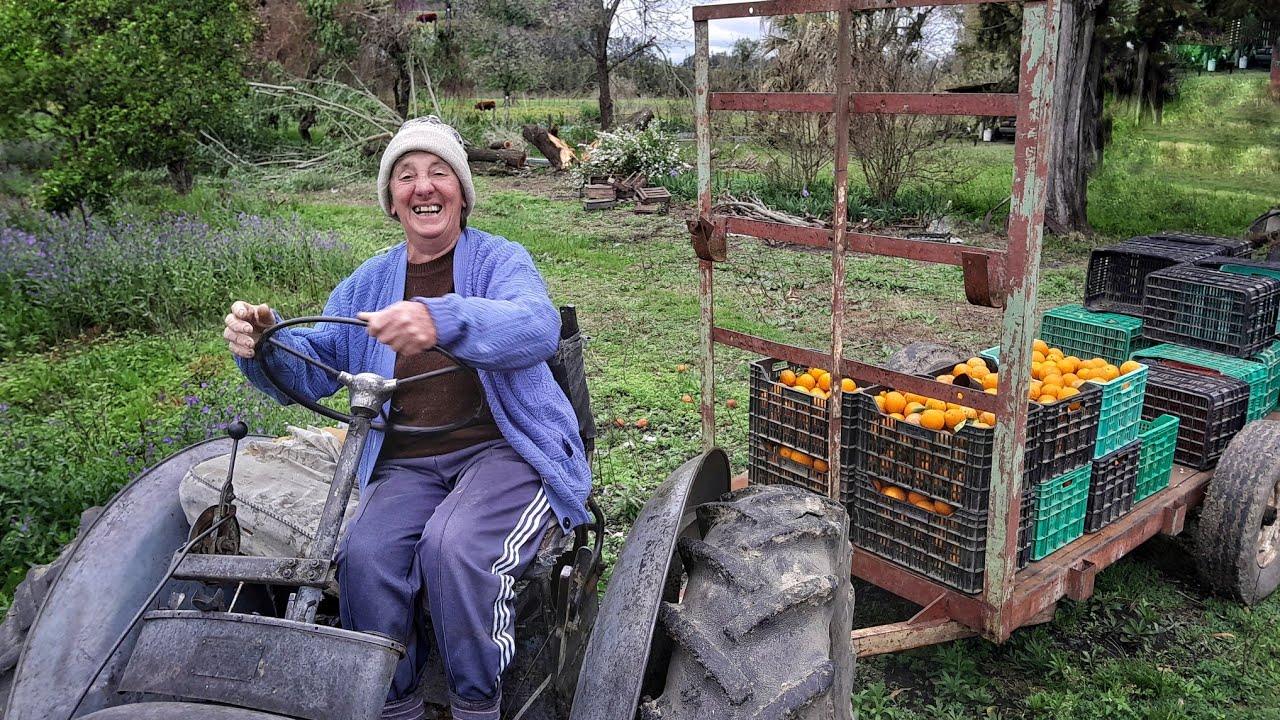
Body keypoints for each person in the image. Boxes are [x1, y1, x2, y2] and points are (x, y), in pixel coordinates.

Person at [222, 116, 593, 720]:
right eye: (406, 176)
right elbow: (315, 366)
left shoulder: (500, 261)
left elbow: (536, 325)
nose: (423, 186)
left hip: (503, 452)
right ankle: (397, 708)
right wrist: (265, 348)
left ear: (462, 193)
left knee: (455, 547)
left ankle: (476, 705)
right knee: (365, 559)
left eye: (439, 173)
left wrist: (442, 320)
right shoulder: (368, 282)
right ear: (392, 202)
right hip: (408, 463)